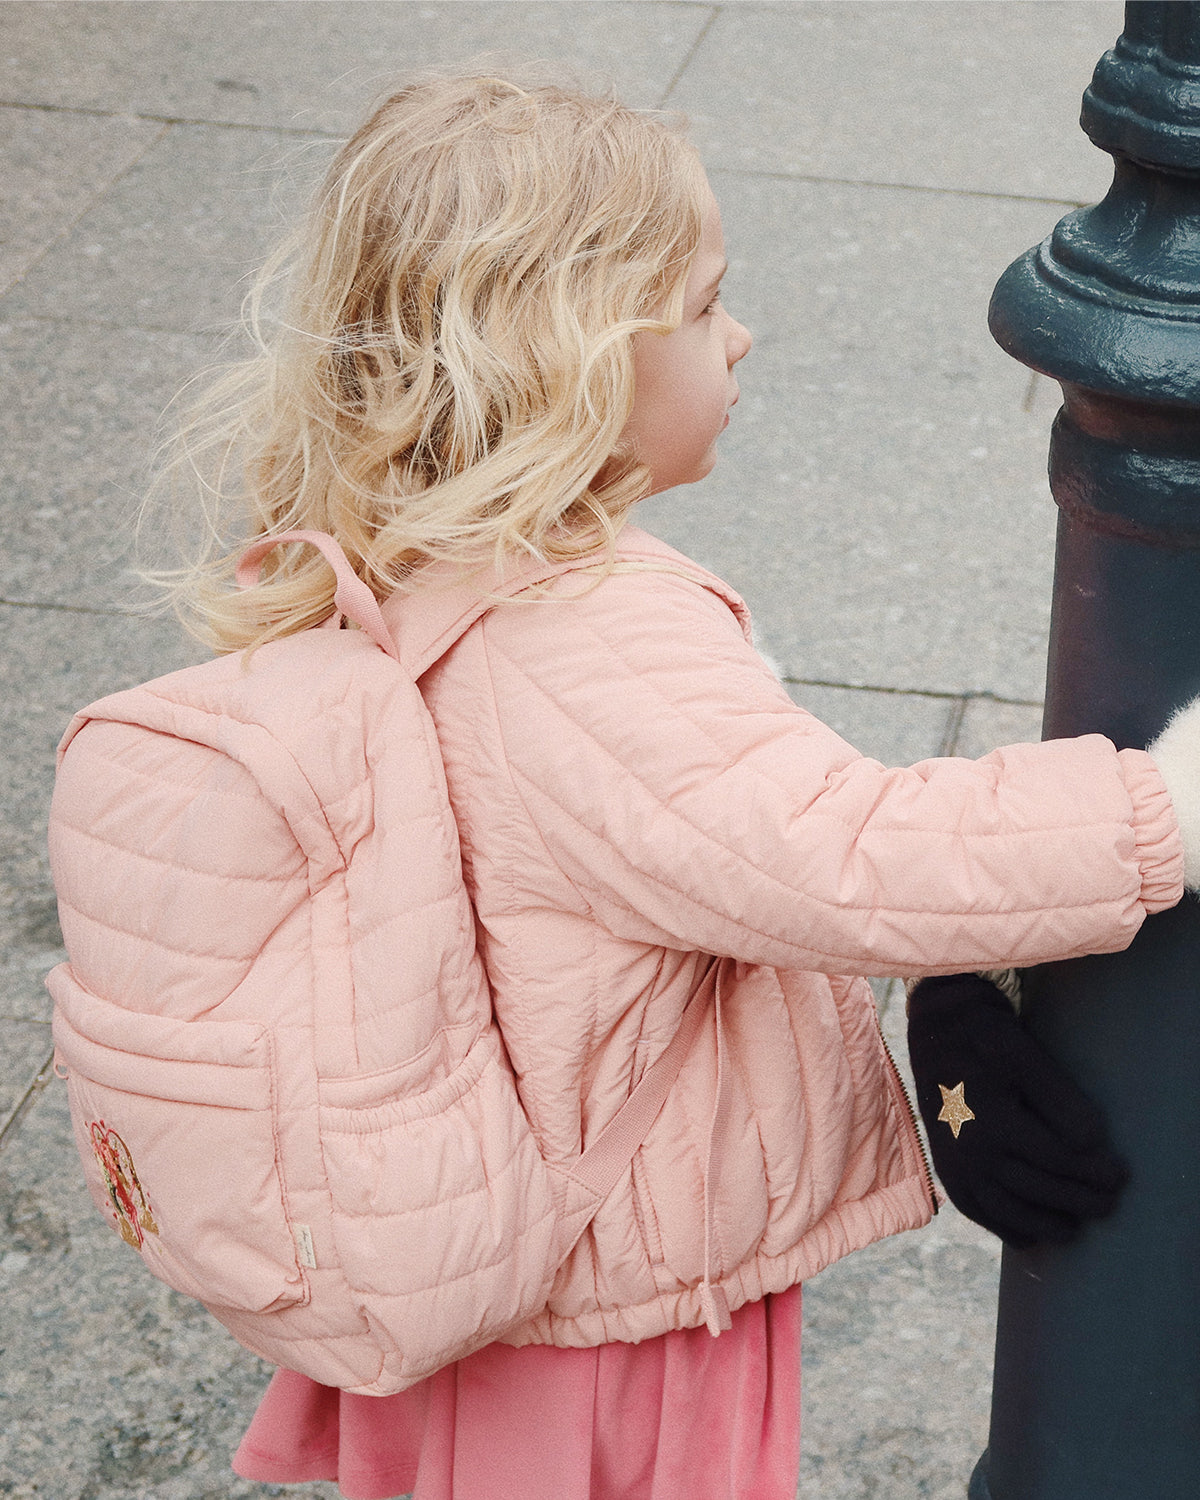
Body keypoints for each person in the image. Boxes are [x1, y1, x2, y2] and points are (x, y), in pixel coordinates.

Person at [141, 74, 1200, 1500]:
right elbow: (842, 857)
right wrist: (1159, 810)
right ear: (573, 365)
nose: (741, 333)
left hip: (484, 1267)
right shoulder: (587, 645)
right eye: (704, 305)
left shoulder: (381, 552)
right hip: (607, 1322)